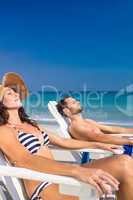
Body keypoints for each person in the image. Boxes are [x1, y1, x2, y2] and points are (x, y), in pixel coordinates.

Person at [0, 73, 133, 200]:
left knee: (124, 161)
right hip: (46, 186)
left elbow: (62, 141)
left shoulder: (31, 124)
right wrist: (77, 171)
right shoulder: (4, 130)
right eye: (9, 93)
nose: (16, 94)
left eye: (15, 91)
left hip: (59, 175)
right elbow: (24, 160)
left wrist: (98, 145)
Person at [57, 96, 133, 146]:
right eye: (74, 102)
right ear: (66, 111)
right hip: (117, 148)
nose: (78, 102)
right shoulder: (76, 127)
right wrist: (129, 141)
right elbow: (99, 138)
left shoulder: (88, 121)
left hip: (118, 144)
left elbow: (111, 129)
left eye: (76, 101)